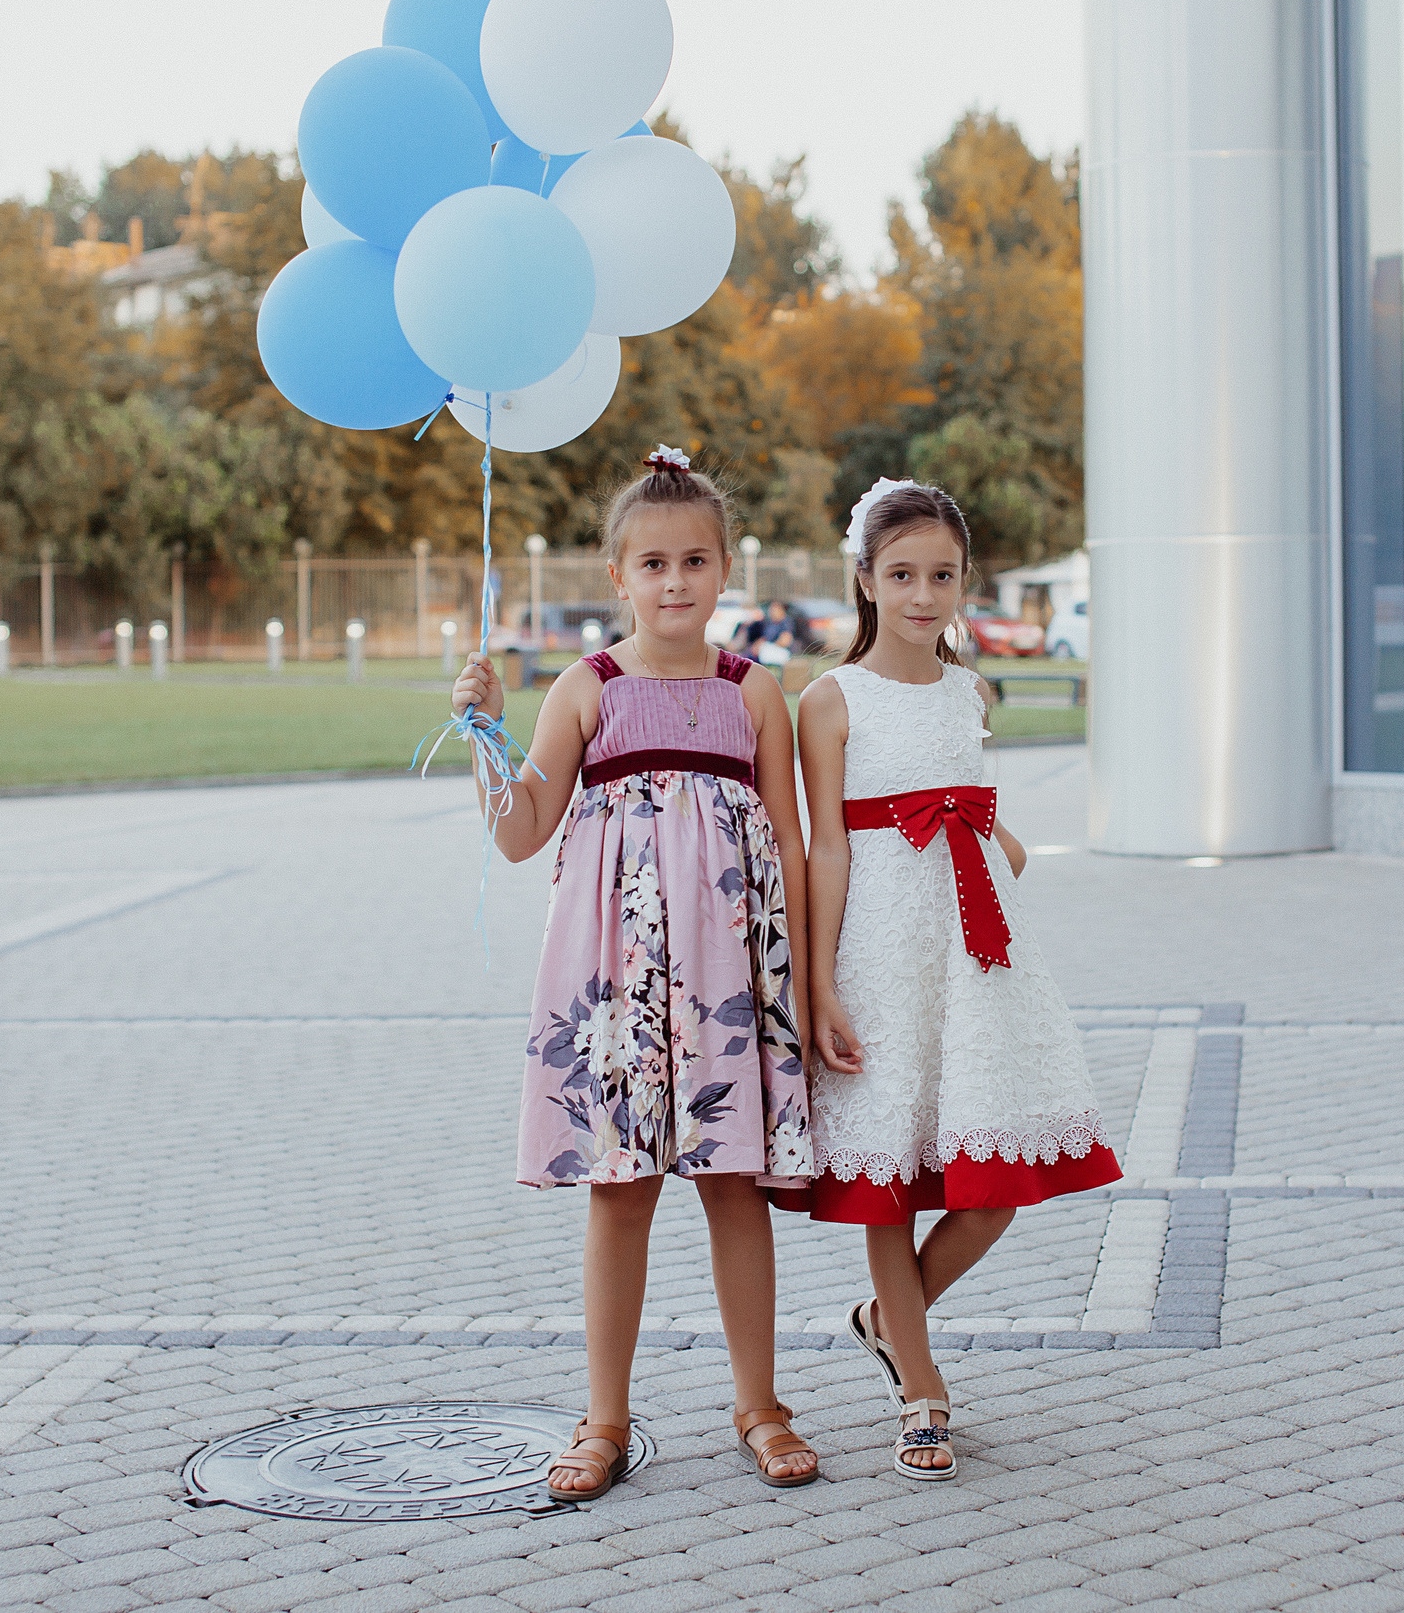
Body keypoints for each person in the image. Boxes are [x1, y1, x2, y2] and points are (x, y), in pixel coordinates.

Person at [449, 447, 822, 1500]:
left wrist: (804, 982)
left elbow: (789, 846)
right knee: (620, 1193)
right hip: (618, 988)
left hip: (728, 987)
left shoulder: (755, 693)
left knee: (733, 1186)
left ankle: (760, 1403)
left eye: (694, 560)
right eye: (651, 563)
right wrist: (484, 732)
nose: (673, 582)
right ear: (616, 575)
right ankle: (603, 1416)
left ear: (725, 569)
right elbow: (522, 833)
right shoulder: (587, 688)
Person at [793, 477, 1124, 1482]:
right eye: (900, 575)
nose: (922, 594)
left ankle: (886, 1321)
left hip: (976, 961)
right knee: (888, 1182)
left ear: (964, 581)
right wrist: (820, 985)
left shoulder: (970, 691)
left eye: (941, 575)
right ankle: (922, 1390)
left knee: (993, 1187)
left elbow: (977, 813)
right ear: (864, 580)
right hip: (879, 958)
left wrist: (999, 854)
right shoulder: (828, 701)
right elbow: (828, 853)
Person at [748, 599, 794, 670]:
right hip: (766, 649)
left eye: (774, 610)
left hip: (780, 651)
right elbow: (765, 638)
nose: (772, 612)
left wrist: (767, 646)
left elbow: (785, 640)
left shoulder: (786, 623)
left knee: (762, 652)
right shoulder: (771, 623)